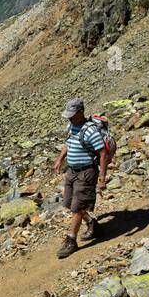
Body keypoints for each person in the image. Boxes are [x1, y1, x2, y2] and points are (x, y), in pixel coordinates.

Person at [52, 97, 110, 259]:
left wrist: (102, 177)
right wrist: (59, 159)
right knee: (70, 204)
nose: (70, 117)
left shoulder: (90, 130)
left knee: (78, 207)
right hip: (72, 171)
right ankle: (93, 224)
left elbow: (103, 154)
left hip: (86, 172)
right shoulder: (71, 126)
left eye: (72, 114)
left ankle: (71, 240)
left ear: (81, 112)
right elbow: (68, 143)